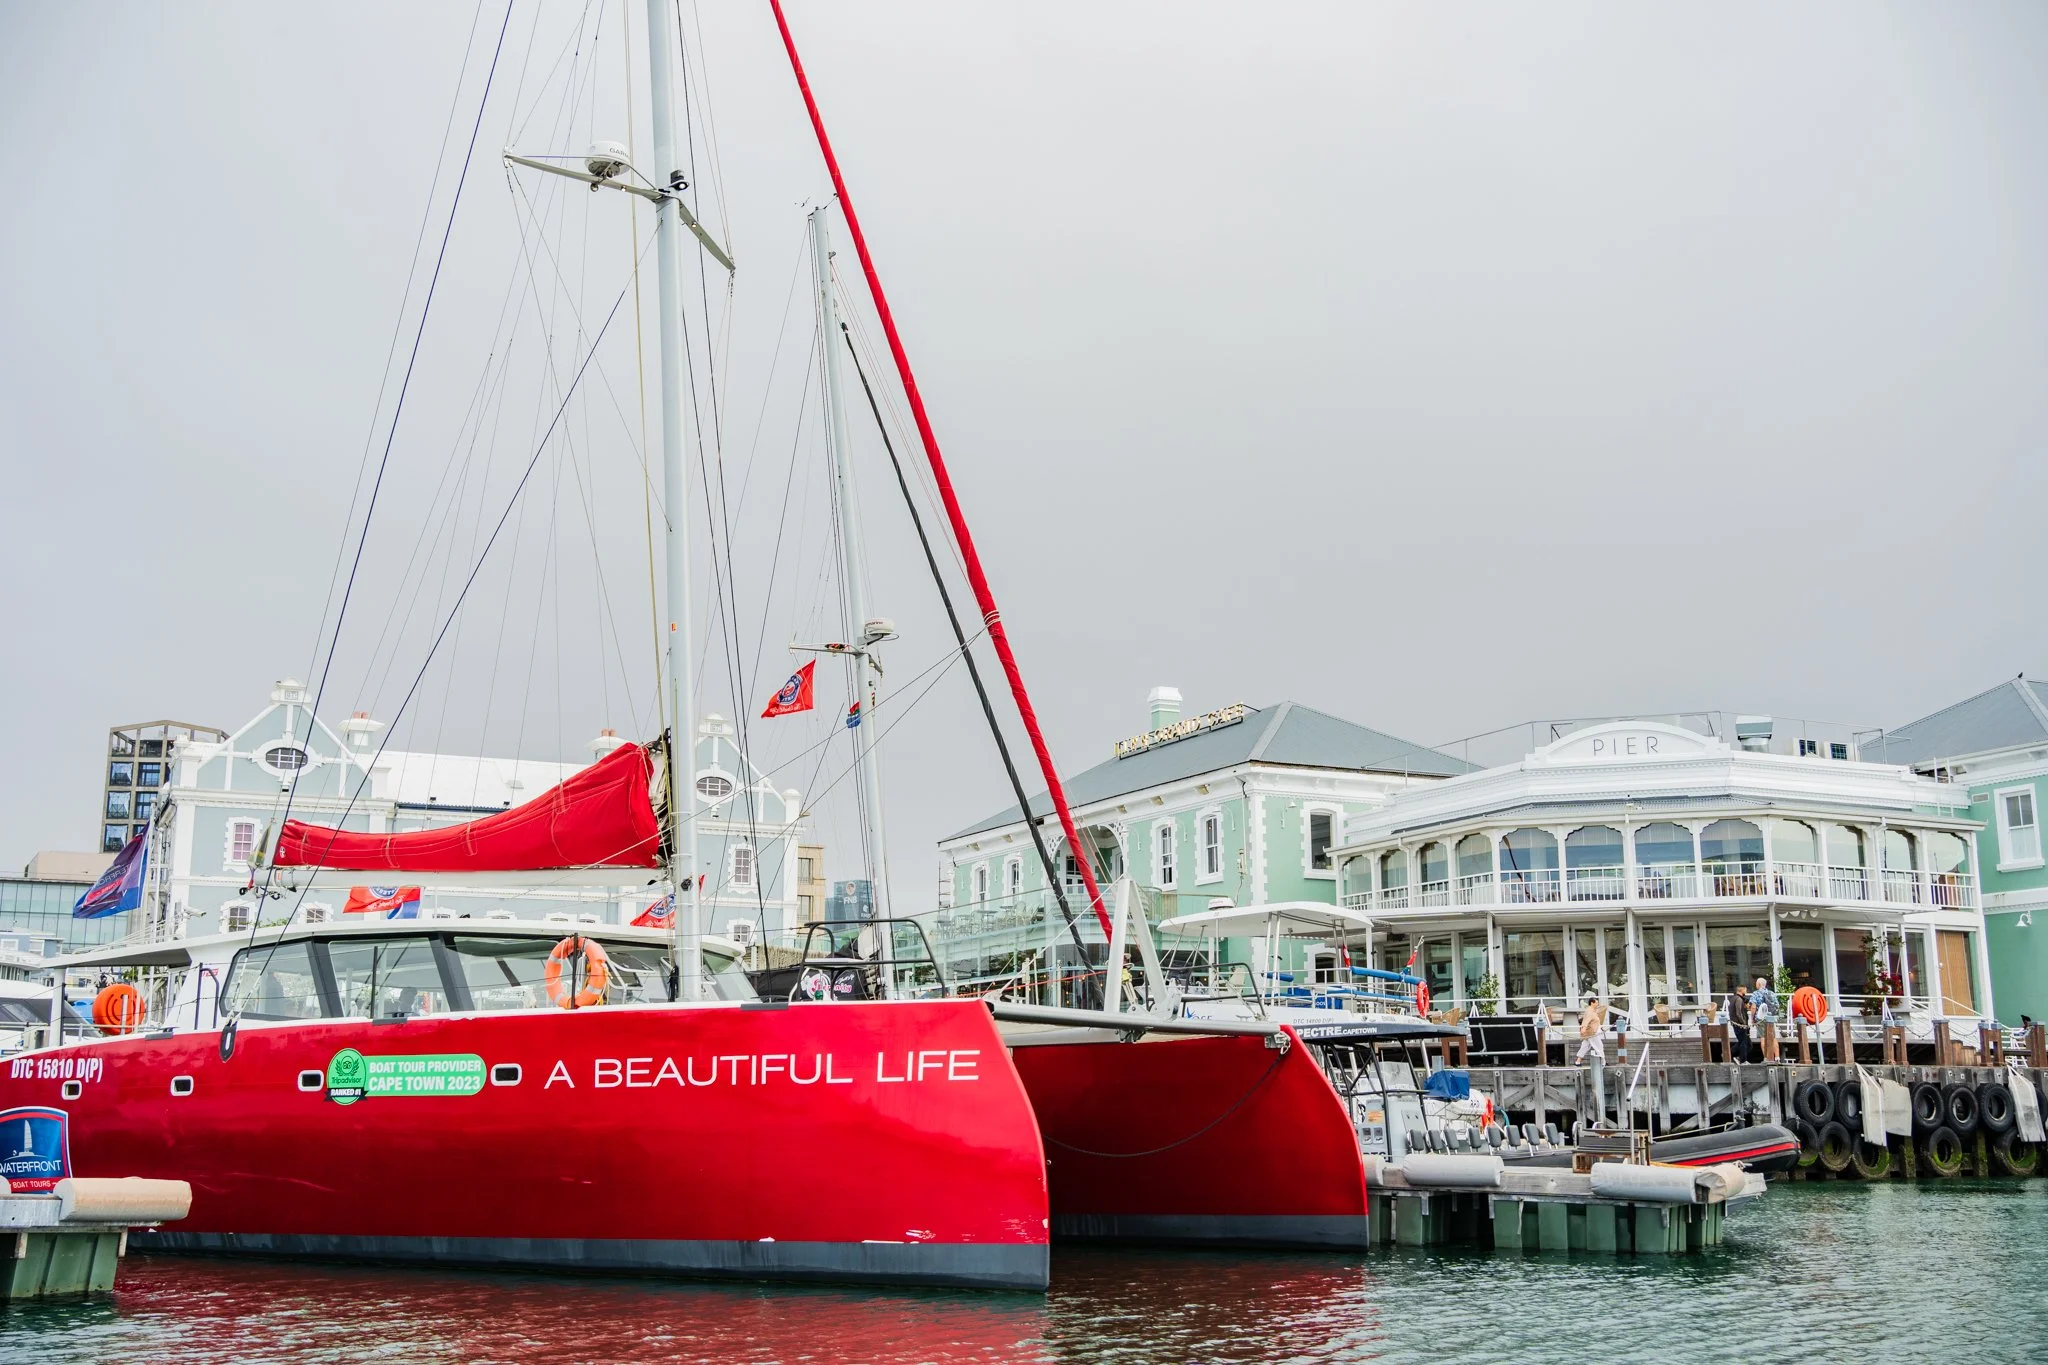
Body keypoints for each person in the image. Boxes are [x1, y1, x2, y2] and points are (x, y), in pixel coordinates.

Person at [1750, 976, 1780, 1061]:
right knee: (1773, 1037)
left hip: (1760, 1018)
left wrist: (1752, 1019)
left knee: (1763, 1038)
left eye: (1756, 983)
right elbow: (1777, 1005)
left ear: (1759, 984)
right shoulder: (1771, 993)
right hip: (1770, 1018)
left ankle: (1766, 1058)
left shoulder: (1756, 993)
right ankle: (1777, 1057)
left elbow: (1753, 1007)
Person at [1724, 984, 1753, 1062]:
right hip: (1740, 1025)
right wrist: (1743, 1023)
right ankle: (1742, 1060)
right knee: (1744, 1043)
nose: (1746, 991)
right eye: (1745, 990)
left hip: (1736, 1024)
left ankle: (1733, 1055)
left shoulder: (1733, 998)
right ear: (1741, 990)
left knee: (1745, 1043)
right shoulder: (1739, 999)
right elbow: (1738, 1013)